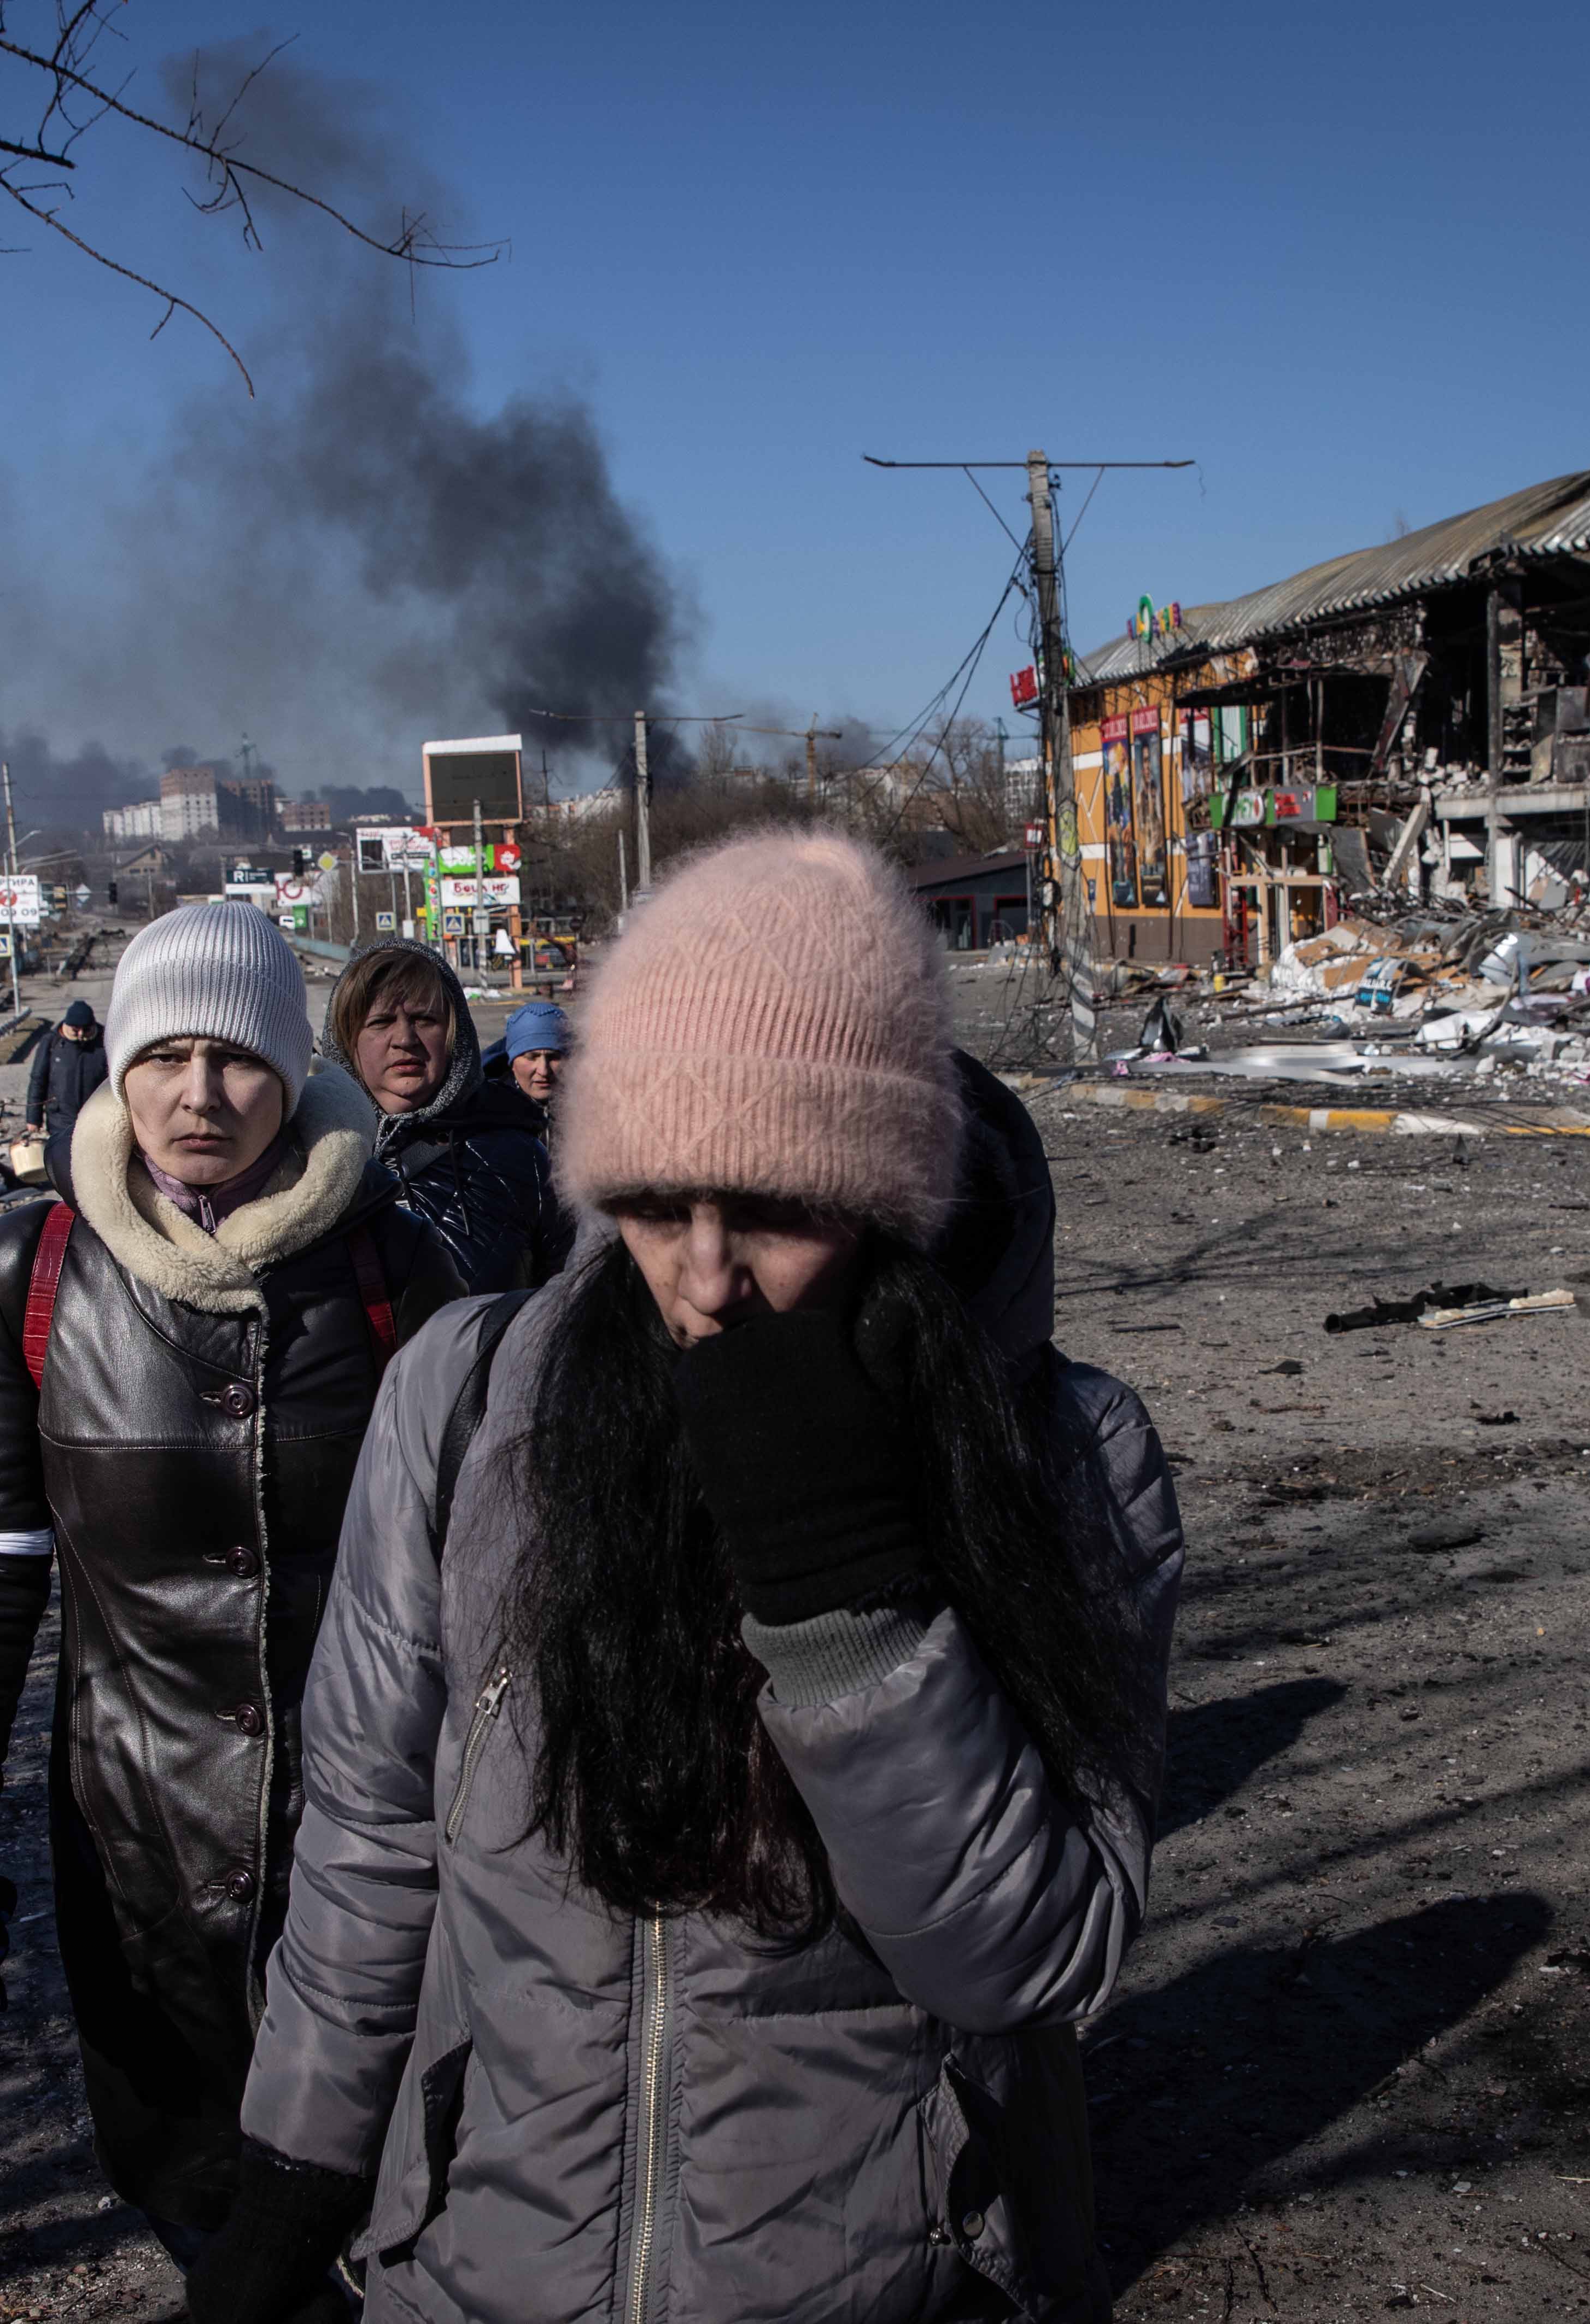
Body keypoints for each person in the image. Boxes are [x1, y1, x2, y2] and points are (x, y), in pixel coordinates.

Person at [189, 830, 1184, 2323]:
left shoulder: (1056, 1450)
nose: (702, 1273)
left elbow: (1027, 1956)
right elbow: (371, 1841)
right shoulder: (471, 1399)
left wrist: (844, 1611)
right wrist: (288, 2187)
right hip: (487, 2272)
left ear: (889, 1198)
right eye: (655, 1201)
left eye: (775, 1206)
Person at [0, 901, 461, 2282]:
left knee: (396, 2209)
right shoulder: (34, 1272)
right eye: (164, 1056)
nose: (199, 1095)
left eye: (240, 1059)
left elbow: (485, 1566)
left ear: (293, 1071)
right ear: (119, 1066)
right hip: (140, 1868)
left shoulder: (390, 1268)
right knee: (204, 2206)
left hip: (373, 1853)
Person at [325, 939, 570, 1295]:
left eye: (425, 1019)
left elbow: (568, 1306)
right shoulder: (304, 1160)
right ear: (347, 1040)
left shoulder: (523, 1160)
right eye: (380, 1022)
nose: (405, 1039)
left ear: (454, 1034)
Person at [22, 996, 106, 1154]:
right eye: (76, 1030)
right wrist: (33, 1119)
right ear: (67, 1026)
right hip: (60, 1120)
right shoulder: (51, 1042)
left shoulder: (105, 1041)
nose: (81, 1034)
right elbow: (38, 1081)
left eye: (87, 1030)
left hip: (97, 1119)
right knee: (63, 1166)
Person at [489, 1001, 565, 1110]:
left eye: (553, 1057)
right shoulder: (490, 1113)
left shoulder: (590, 1105)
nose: (543, 1071)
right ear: (512, 1063)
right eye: (532, 1057)